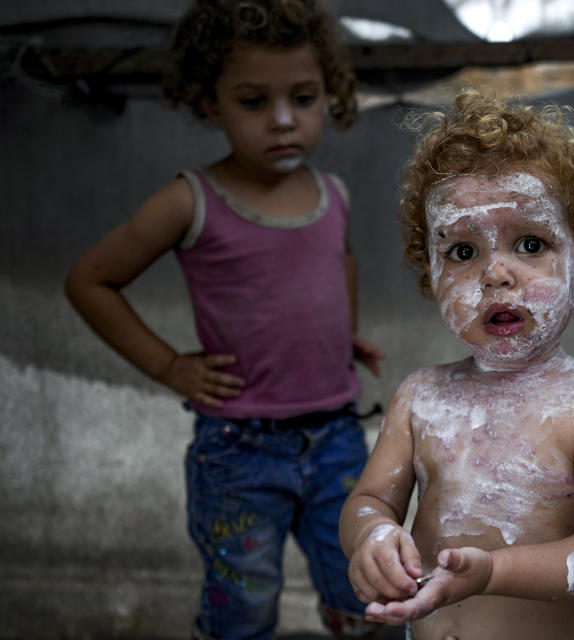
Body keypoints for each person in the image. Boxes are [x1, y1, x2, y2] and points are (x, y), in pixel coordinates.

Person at [64, 1, 383, 638]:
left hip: (337, 439)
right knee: (243, 604)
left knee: (364, 586)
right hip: (240, 452)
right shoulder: (190, 200)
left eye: (304, 96)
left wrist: (336, 332)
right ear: (211, 104)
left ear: (331, 94)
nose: (285, 120)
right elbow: (89, 281)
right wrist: (169, 365)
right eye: (253, 101)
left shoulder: (334, 195)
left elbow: (338, 260)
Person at [339, 88, 574, 640]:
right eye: (463, 252)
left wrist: (491, 572)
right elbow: (368, 501)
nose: (496, 274)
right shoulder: (421, 396)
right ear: (431, 275)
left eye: (530, 244)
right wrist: (371, 538)